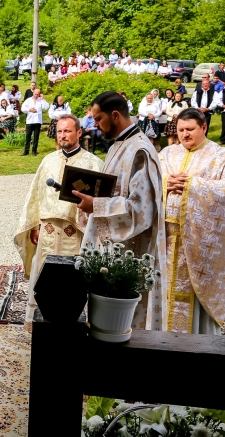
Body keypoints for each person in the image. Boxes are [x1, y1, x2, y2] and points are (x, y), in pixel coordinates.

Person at [76, 91, 168, 332]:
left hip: (129, 254)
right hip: (111, 249)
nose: (95, 125)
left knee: (121, 327)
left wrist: (95, 205)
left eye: (98, 119)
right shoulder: (119, 145)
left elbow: (140, 211)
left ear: (115, 115)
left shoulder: (140, 151)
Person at [158, 108, 225, 334]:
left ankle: (197, 339)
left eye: (190, 129)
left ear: (204, 127)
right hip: (165, 239)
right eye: (180, 130)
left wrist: (192, 185)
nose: (184, 134)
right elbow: (148, 180)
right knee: (162, 290)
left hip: (198, 241)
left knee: (192, 291)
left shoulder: (221, 155)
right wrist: (165, 182)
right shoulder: (166, 153)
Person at [13, 115, 104, 323]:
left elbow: (100, 201)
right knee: (45, 277)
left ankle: (73, 322)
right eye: (60, 131)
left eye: (67, 131)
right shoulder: (48, 160)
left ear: (79, 133)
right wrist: (35, 225)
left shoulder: (93, 163)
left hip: (76, 233)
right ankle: (42, 323)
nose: (63, 135)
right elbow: (36, 195)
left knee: (73, 279)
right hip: (48, 231)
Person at [21, 89, 50, 156]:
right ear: (33, 93)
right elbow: (23, 108)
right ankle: (26, 150)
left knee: (36, 137)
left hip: (37, 121)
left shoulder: (40, 100)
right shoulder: (28, 100)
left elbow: (46, 107)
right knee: (28, 136)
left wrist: (43, 99)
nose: (36, 95)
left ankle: (34, 150)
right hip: (30, 121)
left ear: (39, 94)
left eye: (37, 94)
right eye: (35, 94)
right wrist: (29, 110)